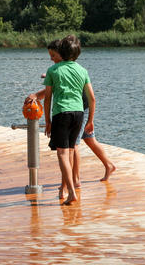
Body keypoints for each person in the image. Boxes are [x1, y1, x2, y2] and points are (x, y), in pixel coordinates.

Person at [43, 35, 94, 205]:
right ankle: (65, 188)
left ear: (61, 51)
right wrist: (90, 120)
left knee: (62, 154)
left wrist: (48, 121)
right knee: (71, 151)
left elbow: (48, 99)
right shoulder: (83, 70)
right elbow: (92, 98)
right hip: (79, 113)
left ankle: (71, 192)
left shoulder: (53, 71)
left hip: (62, 113)